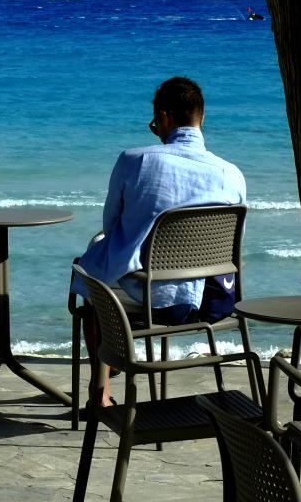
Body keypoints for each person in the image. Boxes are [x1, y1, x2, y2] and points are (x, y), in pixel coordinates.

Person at [69, 77, 246, 407]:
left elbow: (112, 227)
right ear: (201, 118)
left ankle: (101, 392)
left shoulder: (135, 161)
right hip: (213, 304)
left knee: (92, 275)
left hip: (154, 301)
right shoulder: (232, 175)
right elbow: (230, 249)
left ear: (163, 118)